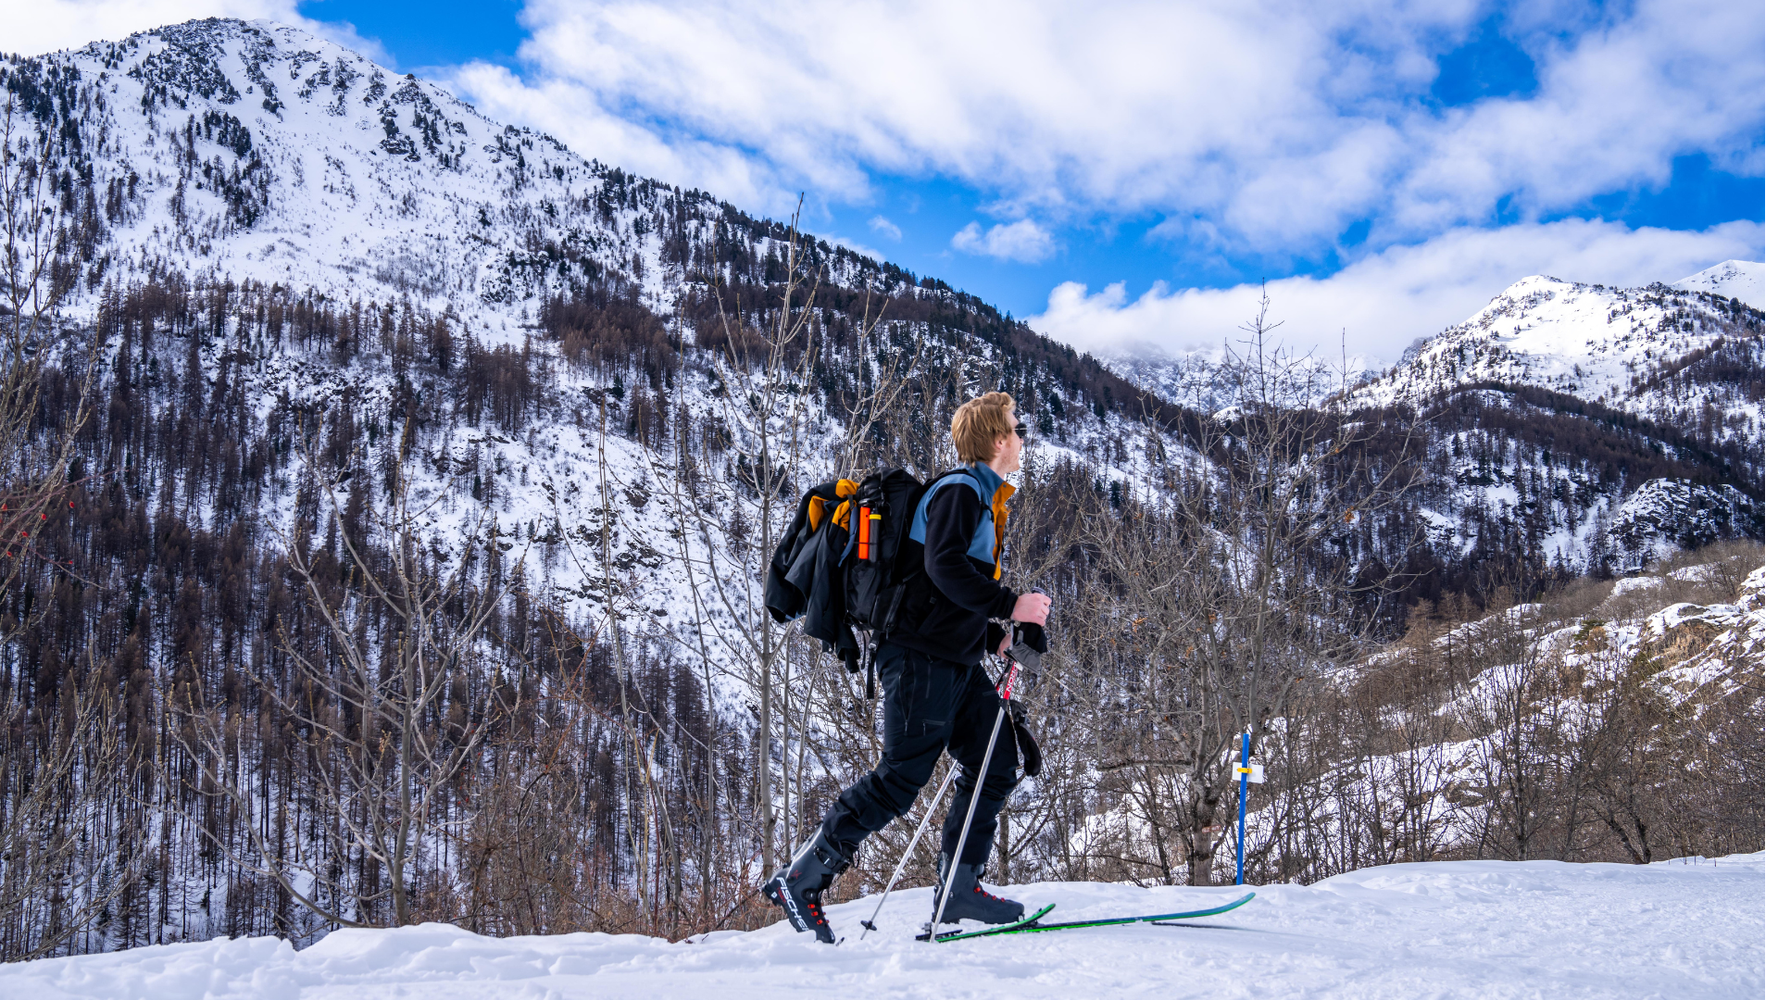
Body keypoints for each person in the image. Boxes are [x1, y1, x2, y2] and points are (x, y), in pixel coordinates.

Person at [763, 391, 1053, 943]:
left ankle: (959, 889)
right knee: (900, 780)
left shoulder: (980, 497)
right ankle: (802, 879)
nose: (1020, 439)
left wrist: (995, 638)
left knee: (996, 761)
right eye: (1016, 430)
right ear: (997, 440)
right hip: (920, 663)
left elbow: (940, 592)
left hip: (955, 660)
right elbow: (943, 567)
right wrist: (1010, 605)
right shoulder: (962, 492)